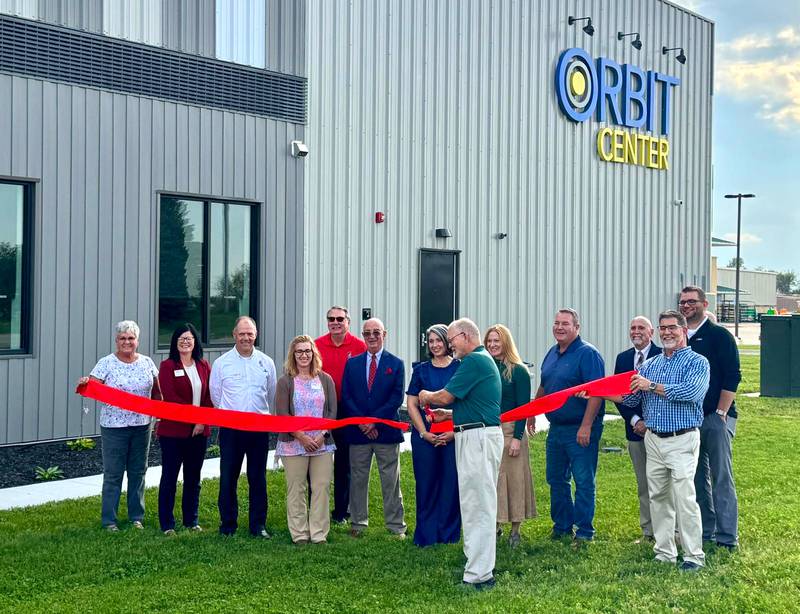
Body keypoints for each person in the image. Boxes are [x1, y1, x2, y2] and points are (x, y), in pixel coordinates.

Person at [590, 310, 710, 571]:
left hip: (682, 438)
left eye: (672, 328)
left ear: (684, 331)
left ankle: (693, 556)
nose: (667, 332)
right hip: (653, 440)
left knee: (685, 498)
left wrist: (651, 386)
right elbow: (633, 399)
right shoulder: (649, 365)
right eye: (663, 328)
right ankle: (664, 551)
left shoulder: (697, 362)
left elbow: (691, 392)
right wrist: (597, 392)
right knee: (658, 497)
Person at [419, 318, 503, 591]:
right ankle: (476, 565)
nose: (450, 345)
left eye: (452, 339)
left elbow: (445, 396)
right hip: (474, 433)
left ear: (466, 336)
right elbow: (478, 404)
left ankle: (479, 575)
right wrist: (451, 416)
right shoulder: (480, 361)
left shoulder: (474, 361)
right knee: (473, 502)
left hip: (478, 438)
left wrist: (425, 396)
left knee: (478, 505)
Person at [527, 308, 605, 545]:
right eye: (556, 323)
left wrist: (586, 426)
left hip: (579, 428)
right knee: (556, 479)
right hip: (556, 429)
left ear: (576, 328)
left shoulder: (588, 354)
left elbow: (597, 393)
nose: (559, 327)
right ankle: (561, 526)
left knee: (583, 480)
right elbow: (545, 384)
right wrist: (533, 411)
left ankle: (584, 531)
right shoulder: (552, 352)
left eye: (565, 324)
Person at [78, 320, 161, 532]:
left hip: (142, 425)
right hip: (114, 427)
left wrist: (159, 417)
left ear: (137, 341)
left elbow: (157, 394)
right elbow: (93, 386)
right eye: (123, 338)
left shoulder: (147, 363)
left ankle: (136, 517)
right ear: (116, 341)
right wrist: (86, 383)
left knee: (138, 472)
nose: (127, 342)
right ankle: (109, 521)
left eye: (131, 338)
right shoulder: (106, 363)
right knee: (113, 473)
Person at [679, 286, 742, 550]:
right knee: (696, 479)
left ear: (704, 303)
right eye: (683, 302)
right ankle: (706, 531)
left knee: (721, 477)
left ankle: (728, 538)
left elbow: (732, 375)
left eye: (692, 301)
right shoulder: (680, 338)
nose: (686, 306)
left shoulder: (718, 335)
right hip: (688, 421)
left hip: (715, 418)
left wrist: (720, 413)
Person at [210, 316, 277, 538]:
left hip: (259, 428)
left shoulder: (266, 362)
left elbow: (271, 392)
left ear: (256, 334)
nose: (246, 338)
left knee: (258, 478)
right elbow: (216, 395)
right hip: (231, 430)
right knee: (228, 476)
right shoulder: (221, 363)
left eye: (250, 334)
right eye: (242, 334)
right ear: (234, 335)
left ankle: (258, 525)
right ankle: (228, 524)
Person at [340, 318, 407, 538]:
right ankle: (358, 523)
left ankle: (396, 525)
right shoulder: (352, 363)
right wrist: (362, 422)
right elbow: (347, 396)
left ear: (384, 334)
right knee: (358, 478)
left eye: (376, 332)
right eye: (367, 333)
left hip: (385, 432)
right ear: (362, 335)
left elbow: (396, 398)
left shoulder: (396, 364)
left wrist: (374, 422)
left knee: (391, 480)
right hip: (358, 432)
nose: (371, 337)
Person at [274, 336, 337, 544]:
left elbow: (331, 412)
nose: (304, 355)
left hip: (322, 442)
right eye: (299, 351)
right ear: (293, 355)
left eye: (307, 351)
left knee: (321, 487)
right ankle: (299, 533)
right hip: (294, 443)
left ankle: (318, 534)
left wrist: (321, 436)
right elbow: (282, 414)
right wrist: (301, 436)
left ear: (313, 353)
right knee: (297, 488)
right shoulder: (285, 381)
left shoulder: (325, 379)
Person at [405, 324, 461, 547]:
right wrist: (423, 432)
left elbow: (465, 403)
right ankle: (426, 535)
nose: (435, 345)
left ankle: (448, 534)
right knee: (426, 484)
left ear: (448, 342)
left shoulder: (460, 368)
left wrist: (453, 432)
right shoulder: (420, 370)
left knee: (450, 484)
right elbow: (411, 403)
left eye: (439, 340)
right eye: (431, 341)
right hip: (425, 439)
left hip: (452, 436)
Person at [156, 324, 212, 535]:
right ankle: (167, 524)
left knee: (193, 478)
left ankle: (191, 520)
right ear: (175, 342)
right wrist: (194, 420)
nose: (185, 342)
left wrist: (201, 422)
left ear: (195, 342)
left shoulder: (204, 365)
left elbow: (209, 396)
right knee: (170, 477)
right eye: (181, 338)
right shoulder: (167, 366)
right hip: (173, 432)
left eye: (189, 338)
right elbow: (172, 398)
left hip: (199, 432)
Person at [484, 324, 536, 548]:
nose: (493, 345)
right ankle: (495, 525)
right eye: (489, 341)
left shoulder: (518, 370)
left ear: (506, 342)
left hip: (511, 431)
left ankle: (515, 530)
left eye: (497, 340)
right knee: (492, 480)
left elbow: (524, 408)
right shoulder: (485, 368)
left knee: (514, 480)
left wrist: (516, 437)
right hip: (489, 430)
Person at [315, 306, 367, 523]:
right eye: (331, 319)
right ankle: (318, 508)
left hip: (348, 410)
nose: (335, 322)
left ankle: (341, 511)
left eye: (339, 319)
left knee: (344, 462)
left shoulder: (359, 346)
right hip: (322, 410)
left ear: (348, 322)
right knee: (319, 459)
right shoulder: (316, 345)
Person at [613, 316, 662, 543]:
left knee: (663, 484)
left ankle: (670, 531)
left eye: (641, 328)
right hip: (635, 432)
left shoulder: (663, 356)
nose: (636, 331)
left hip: (660, 430)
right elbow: (619, 397)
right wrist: (634, 420)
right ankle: (648, 532)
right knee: (643, 483)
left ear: (651, 332)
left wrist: (649, 423)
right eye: (632, 328)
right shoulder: (623, 359)